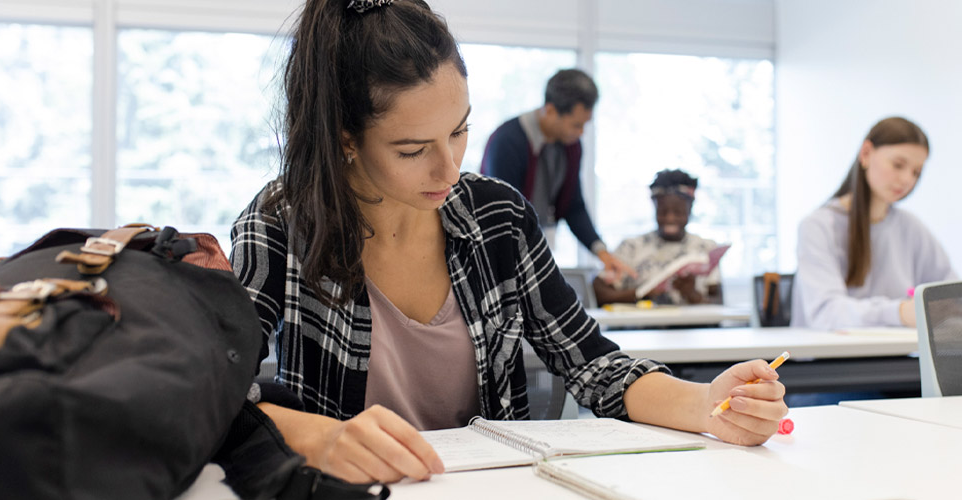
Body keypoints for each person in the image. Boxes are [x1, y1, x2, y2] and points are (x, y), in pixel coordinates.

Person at [231, 0, 787, 485]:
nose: (450, 169)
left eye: (459, 130)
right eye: (411, 150)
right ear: (345, 140)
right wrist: (320, 439)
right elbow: (217, 392)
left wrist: (707, 404)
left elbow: (593, 366)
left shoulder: (497, 215)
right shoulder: (280, 222)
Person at [791, 116, 955, 330]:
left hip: (897, 356)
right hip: (828, 360)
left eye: (916, 172)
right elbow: (826, 314)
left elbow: (950, 293)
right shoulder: (818, 226)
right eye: (898, 165)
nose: (907, 179)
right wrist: (899, 312)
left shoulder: (911, 227)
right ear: (866, 153)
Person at [480, 68, 634, 280]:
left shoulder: (571, 147)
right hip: (498, 256)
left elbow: (574, 206)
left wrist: (602, 253)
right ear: (551, 111)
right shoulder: (508, 141)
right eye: (576, 125)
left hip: (535, 250)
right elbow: (501, 215)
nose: (581, 133)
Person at [593, 169, 725, 306]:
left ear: (690, 208)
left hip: (691, 326)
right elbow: (599, 293)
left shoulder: (706, 249)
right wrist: (643, 293)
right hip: (641, 325)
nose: (670, 218)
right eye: (663, 211)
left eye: (678, 212)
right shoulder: (631, 247)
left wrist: (692, 294)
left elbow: (718, 303)